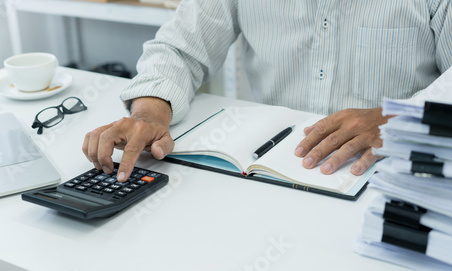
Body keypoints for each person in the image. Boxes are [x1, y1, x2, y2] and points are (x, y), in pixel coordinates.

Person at [83, 0, 452, 182]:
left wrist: (399, 117)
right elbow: (180, 48)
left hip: (388, 177)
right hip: (266, 175)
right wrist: (148, 115)